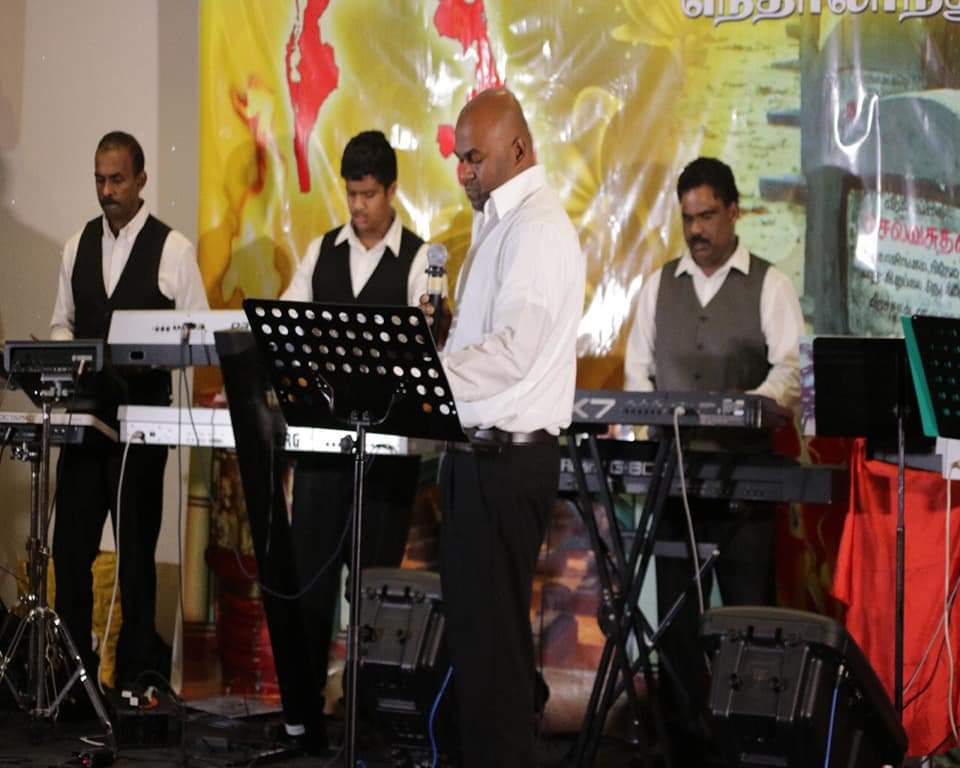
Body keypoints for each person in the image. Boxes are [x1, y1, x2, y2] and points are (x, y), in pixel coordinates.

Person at [421, 88, 585, 767]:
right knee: (478, 652)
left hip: (506, 461)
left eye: (474, 158)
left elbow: (515, 351)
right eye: (459, 159)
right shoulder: (497, 223)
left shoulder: (537, 228)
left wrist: (426, 376)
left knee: (494, 659)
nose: (463, 171)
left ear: (518, 149)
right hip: (477, 457)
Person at [623, 156, 803, 759]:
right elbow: (637, 370)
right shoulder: (658, 286)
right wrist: (651, 415)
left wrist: (743, 409)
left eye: (707, 216)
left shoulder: (769, 285)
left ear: (734, 212)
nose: (696, 230)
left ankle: (753, 746)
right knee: (675, 626)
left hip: (744, 482)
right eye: (687, 219)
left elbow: (789, 373)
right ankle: (683, 747)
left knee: (749, 619)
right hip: (673, 482)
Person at [274, 130, 437, 751]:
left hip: (386, 459)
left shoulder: (420, 260)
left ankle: (366, 719)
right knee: (311, 586)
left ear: (392, 191)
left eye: (369, 194)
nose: (359, 206)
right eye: (351, 194)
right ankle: (305, 718)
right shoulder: (321, 252)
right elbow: (288, 325)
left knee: (373, 590)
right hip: (322, 453)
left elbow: (427, 344)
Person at [49, 131, 208, 693]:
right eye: (99, 179)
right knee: (70, 553)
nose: (106, 190)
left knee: (137, 557)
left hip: (143, 427)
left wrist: (155, 353)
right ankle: (73, 681)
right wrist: (67, 355)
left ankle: (138, 684)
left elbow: (199, 336)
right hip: (84, 425)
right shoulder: (76, 245)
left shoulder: (173, 250)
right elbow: (61, 324)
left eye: (117, 179)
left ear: (141, 179)